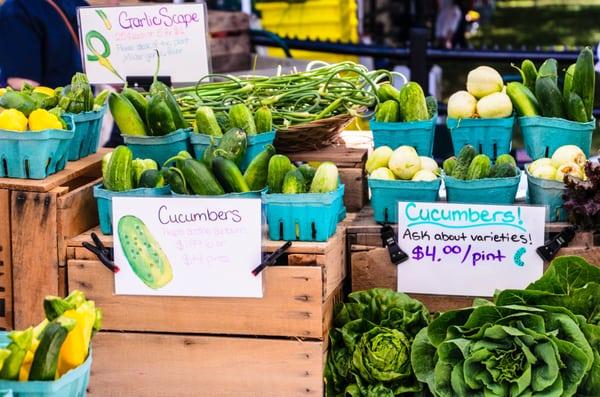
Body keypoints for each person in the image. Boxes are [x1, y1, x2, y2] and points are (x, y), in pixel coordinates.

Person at [0, 0, 89, 90]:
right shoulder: (79, 4)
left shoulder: (16, 9)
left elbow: (22, 84)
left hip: (54, 101)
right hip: (88, 99)